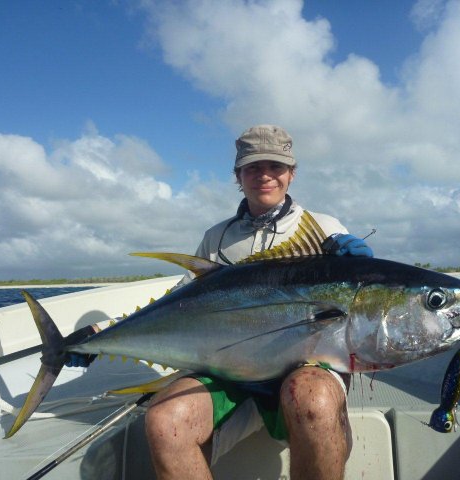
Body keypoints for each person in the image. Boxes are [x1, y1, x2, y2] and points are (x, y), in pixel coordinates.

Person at [143, 125, 374, 479]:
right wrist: (100, 332)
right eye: (252, 167)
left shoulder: (323, 227)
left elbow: (363, 300)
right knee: (164, 420)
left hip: (305, 367)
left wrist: (363, 265)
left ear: (291, 173)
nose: (264, 175)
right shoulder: (216, 237)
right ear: (238, 175)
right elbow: (180, 300)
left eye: (275, 166)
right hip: (230, 371)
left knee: (314, 398)